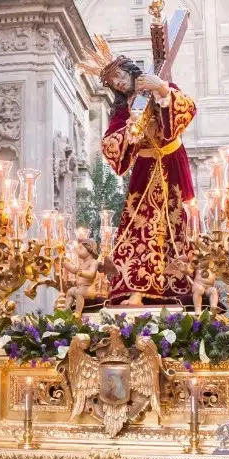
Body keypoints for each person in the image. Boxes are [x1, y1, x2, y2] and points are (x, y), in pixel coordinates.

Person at [89, 36, 196, 304]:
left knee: (178, 223)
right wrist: (130, 132)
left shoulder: (159, 84)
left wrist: (162, 91)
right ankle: (137, 289)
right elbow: (109, 144)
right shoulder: (123, 110)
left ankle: (182, 287)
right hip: (145, 172)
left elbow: (188, 108)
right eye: (114, 83)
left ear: (130, 70)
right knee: (141, 226)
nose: (119, 83)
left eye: (120, 76)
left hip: (171, 165)